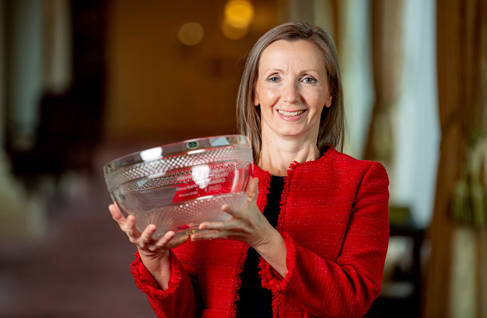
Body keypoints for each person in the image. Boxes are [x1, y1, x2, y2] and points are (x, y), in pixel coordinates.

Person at [109, 22, 389, 318]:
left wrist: (264, 239)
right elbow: (185, 312)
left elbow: (351, 302)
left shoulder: (363, 180)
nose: (290, 96)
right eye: (274, 78)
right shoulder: (210, 178)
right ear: (254, 92)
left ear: (330, 93)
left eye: (308, 79)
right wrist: (155, 259)